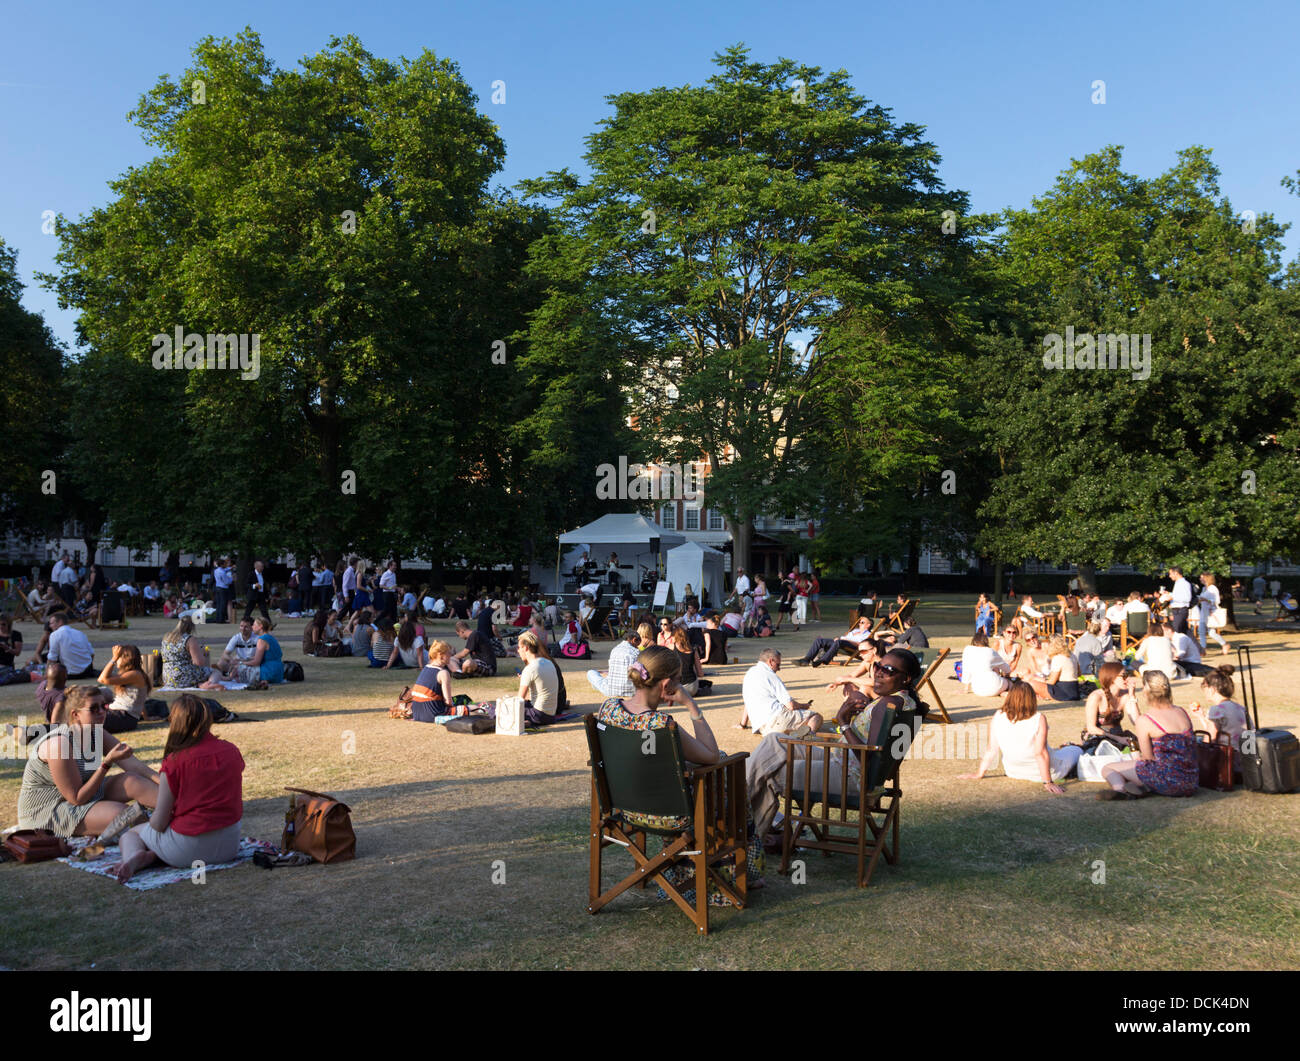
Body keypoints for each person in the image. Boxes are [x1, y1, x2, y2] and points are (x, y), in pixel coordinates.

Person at [109, 694, 244, 883]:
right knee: (162, 837)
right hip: (229, 844)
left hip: (189, 848)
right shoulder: (231, 750)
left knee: (132, 834)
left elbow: (159, 823)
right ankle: (153, 856)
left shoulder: (175, 762)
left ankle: (135, 856)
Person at [17, 685, 160, 838]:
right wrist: (107, 763)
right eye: (94, 709)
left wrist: (167, 786)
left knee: (133, 781)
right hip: (48, 810)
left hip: (84, 793)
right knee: (127, 814)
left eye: (104, 706)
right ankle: (163, 833)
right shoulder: (60, 744)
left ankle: (179, 811)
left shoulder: (96, 732)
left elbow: (135, 766)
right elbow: (77, 798)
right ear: (76, 714)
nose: (102, 712)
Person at [959, 681, 1081, 793]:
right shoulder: (1038, 718)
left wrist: (979, 773)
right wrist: (1048, 782)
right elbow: (1040, 753)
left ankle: (1063, 749)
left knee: (1058, 751)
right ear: (1032, 699)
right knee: (1076, 750)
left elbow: (992, 749)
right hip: (1046, 772)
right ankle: (1072, 747)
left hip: (1013, 771)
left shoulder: (998, 715)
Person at [1098, 671, 1198, 799]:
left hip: (1167, 780)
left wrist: (1137, 760)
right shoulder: (1182, 711)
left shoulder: (1146, 720)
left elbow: (1147, 758)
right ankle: (1142, 788)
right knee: (1138, 768)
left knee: (1108, 769)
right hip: (1191, 780)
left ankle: (1121, 791)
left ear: (1146, 691)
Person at [739, 648, 822, 735]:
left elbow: (748, 701)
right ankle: (808, 735)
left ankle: (794, 731)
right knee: (816, 717)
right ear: (771, 661)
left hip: (762, 728)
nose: (779, 669)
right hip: (777, 720)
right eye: (778, 665)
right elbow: (791, 705)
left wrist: (743, 724)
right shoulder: (770, 675)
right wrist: (804, 706)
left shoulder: (749, 673)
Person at [513, 632, 568, 726]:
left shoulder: (529, 669)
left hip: (538, 715)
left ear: (525, 648)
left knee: (506, 710)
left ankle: (525, 723)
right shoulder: (549, 663)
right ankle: (526, 722)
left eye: (519, 648)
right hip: (551, 715)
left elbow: (519, 700)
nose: (518, 651)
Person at [95, 645, 154, 733]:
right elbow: (139, 700)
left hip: (124, 717)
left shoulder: (135, 674)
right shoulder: (134, 674)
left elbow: (102, 679)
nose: (117, 660)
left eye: (119, 657)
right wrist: (146, 718)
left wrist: (114, 658)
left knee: (89, 719)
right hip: (122, 715)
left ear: (126, 659)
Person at [1187, 665, 1248, 751]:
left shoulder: (1217, 710)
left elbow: (1209, 739)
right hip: (1245, 757)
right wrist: (1201, 716)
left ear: (1212, 689)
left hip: (1227, 758)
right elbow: (1217, 731)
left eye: (1204, 688)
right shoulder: (1241, 708)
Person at [793, 615, 874, 667]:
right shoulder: (855, 631)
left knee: (838, 642)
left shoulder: (867, 634)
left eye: (862, 622)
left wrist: (842, 640)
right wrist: (839, 638)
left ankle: (823, 660)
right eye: (860, 622)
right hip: (841, 642)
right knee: (819, 640)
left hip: (852, 646)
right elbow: (844, 637)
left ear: (868, 625)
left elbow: (860, 644)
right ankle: (806, 660)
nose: (860, 623)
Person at [160, 617, 218, 689]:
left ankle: (199, 684)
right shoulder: (189, 639)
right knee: (216, 672)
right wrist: (201, 652)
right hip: (184, 676)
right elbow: (199, 662)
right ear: (192, 628)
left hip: (168, 678)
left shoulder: (167, 637)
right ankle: (208, 684)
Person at [407, 640, 456, 721]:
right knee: (471, 708)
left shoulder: (426, 668)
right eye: (449, 653)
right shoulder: (443, 673)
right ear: (441, 655)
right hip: (433, 714)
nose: (451, 655)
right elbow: (448, 702)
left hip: (417, 713)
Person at [587, 628, 641, 699]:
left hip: (611, 691)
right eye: (637, 644)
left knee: (591, 673)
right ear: (634, 640)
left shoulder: (615, 650)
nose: (637, 647)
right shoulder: (637, 652)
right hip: (632, 691)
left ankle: (596, 686)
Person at [39, 612, 95, 678]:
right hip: (87, 672)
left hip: (69, 673)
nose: (50, 626)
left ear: (60, 622)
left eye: (51, 623)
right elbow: (91, 653)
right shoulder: (80, 633)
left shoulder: (55, 634)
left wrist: (46, 675)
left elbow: (52, 659)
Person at [1027, 635, 1081, 702]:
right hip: (1075, 690)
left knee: (1031, 684)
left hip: (1064, 692)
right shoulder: (1072, 655)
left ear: (1051, 645)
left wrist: (1040, 681)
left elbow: (1051, 682)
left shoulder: (1057, 658)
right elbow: (1079, 674)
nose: (1043, 647)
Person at [232, 617, 283, 684]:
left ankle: (229, 678)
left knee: (238, 668)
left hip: (268, 672)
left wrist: (241, 663)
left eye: (254, 625)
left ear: (260, 626)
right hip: (279, 673)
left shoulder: (262, 639)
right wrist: (244, 660)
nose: (252, 627)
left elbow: (256, 662)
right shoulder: (271, 637)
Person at [961, 632, 1012, 697]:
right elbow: (1007, 669)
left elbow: (966, 670)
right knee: (1008, 682)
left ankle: (1001, 693)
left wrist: (966, 688)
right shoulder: (990, 651)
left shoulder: (967, 650)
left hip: (978, 689)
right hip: (996, 685)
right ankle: (1010, 693)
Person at [1197, 572, 1230, 655]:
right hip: (1203, 612)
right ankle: (1203, 650)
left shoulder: (1213, 588)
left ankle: (1224, 644)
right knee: (1201, 631)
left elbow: (1217, 601)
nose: (1200, 579)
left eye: (1202, 577)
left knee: (1211, 633)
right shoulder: (1204, 588)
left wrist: (1205, 600)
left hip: (1211, 613)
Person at [671, 626, 704, 696]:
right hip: (692, 687)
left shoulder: (671, 649)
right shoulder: (693, 651)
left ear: (674, 637)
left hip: (676, 688)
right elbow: (700, 674)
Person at [1167, 566, 1193, 635]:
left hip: (1180, 611)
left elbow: (1187, 598)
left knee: (1174, 632)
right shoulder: (1177, 583)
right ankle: (1196, 646)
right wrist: (1169, 594)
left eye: (1170, 574)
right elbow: (1179, 595)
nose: (1169, 576)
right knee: (1187, 633)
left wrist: (1172, 597)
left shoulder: (1184, 583)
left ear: (1176, 573)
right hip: (1177, 610)